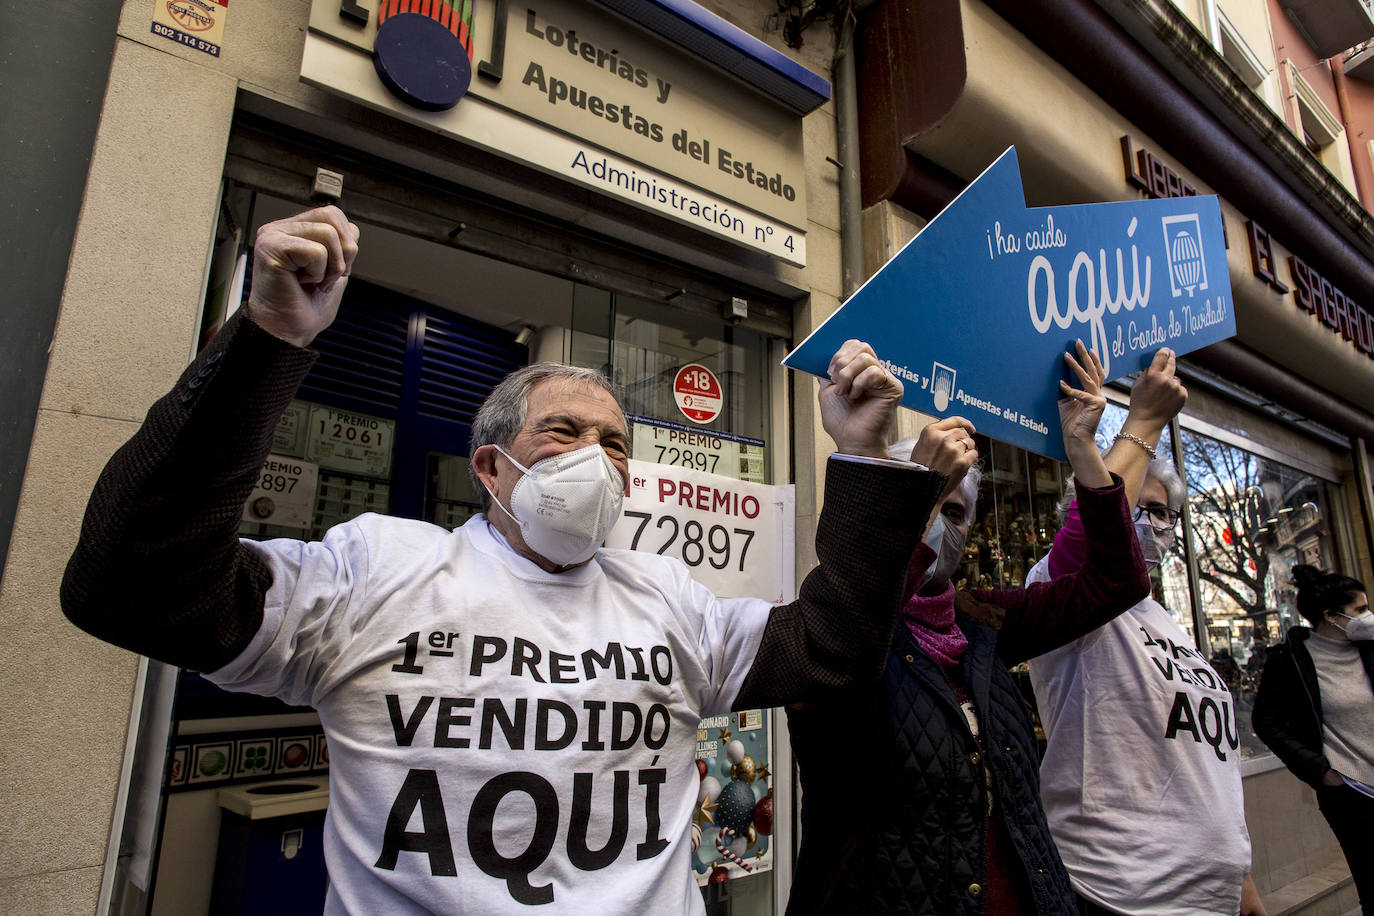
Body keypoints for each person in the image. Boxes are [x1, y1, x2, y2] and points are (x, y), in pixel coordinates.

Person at [61, 207, 958, 914]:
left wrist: (861, 460)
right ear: (492, 467)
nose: (595, 459)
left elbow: (834, 650)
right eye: (562, 432)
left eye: (614, 443)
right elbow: (135, 589)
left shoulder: (670, 598)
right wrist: (266, 340)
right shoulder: (378, 572)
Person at [785, 341, 1151, 915]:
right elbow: (859, 611)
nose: (940, 524)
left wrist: (1081, 444)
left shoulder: (982, 623)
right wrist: (911, 498)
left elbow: (1114, 583)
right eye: (931, 493)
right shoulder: (833, 629)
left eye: (955, 512)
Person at [1025, 348, 1264, 916]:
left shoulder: (1170, 627)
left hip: (1213, 899)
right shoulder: (1067, 594)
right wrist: (1144, 422)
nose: (1151, 524)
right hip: (1115, 896)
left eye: (1163, 514)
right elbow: (1094, 540)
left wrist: (1240, 878)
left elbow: (1202, 762)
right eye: (1141, 507)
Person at [1253, 564, 1374, 912]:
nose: (1367, 616)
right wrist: (1319, 770)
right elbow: (1267, 722)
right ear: (1330, 616)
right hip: (1352, 791)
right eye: (1359, 610)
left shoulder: (1369, 650)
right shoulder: (1289, 661)